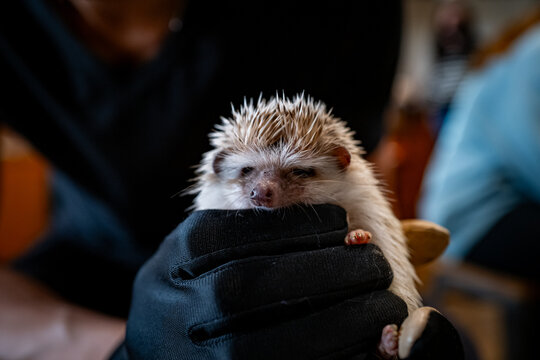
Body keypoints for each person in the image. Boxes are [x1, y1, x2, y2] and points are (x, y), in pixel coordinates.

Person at [1, 0, 410, 359]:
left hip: (299, 283)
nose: (264, 188)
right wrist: (125, 349)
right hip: (71, 281)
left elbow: (370, 195)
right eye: (248, 172)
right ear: (223, 167)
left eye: (298, 173)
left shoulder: (348, 10)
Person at [420, 8, 540, 282]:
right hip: (470, 223)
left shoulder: (512, 54)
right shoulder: (533, 51)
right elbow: (531, 153)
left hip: (479, 211)